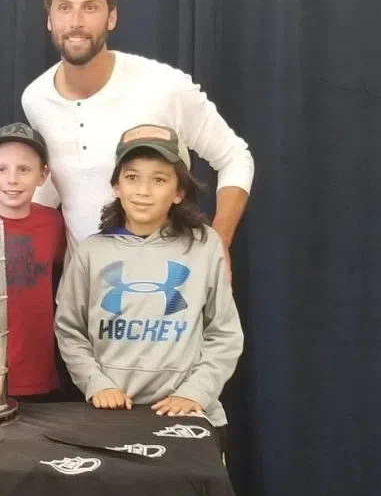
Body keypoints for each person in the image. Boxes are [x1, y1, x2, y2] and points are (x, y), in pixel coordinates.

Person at [22, 0, 255, 268]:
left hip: (172, 289)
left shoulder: (163, 85)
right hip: (88, 296)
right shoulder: (35, 98)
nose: (76, 21)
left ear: (111, 17)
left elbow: (235, 157)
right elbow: (55, 186)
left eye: (90, 7)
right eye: (65, 7)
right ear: (49, 18)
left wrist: (220, 243)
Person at [54, 125, 243, 438]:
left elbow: (224, 333)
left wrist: (195, 392)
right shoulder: (91, 251)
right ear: (116, 186)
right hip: (113, 413)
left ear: (179, 192)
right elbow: (69, 330)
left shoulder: (204, 245)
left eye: (159, 179)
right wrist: (97, 384)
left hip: (191, 412)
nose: (143, 191)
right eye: (132, 177)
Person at [0, 123, 67, 401]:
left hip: (39, 375)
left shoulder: (53, 223)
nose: (12, 180)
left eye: (24, 169)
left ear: (43, 176)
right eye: (2, 169)